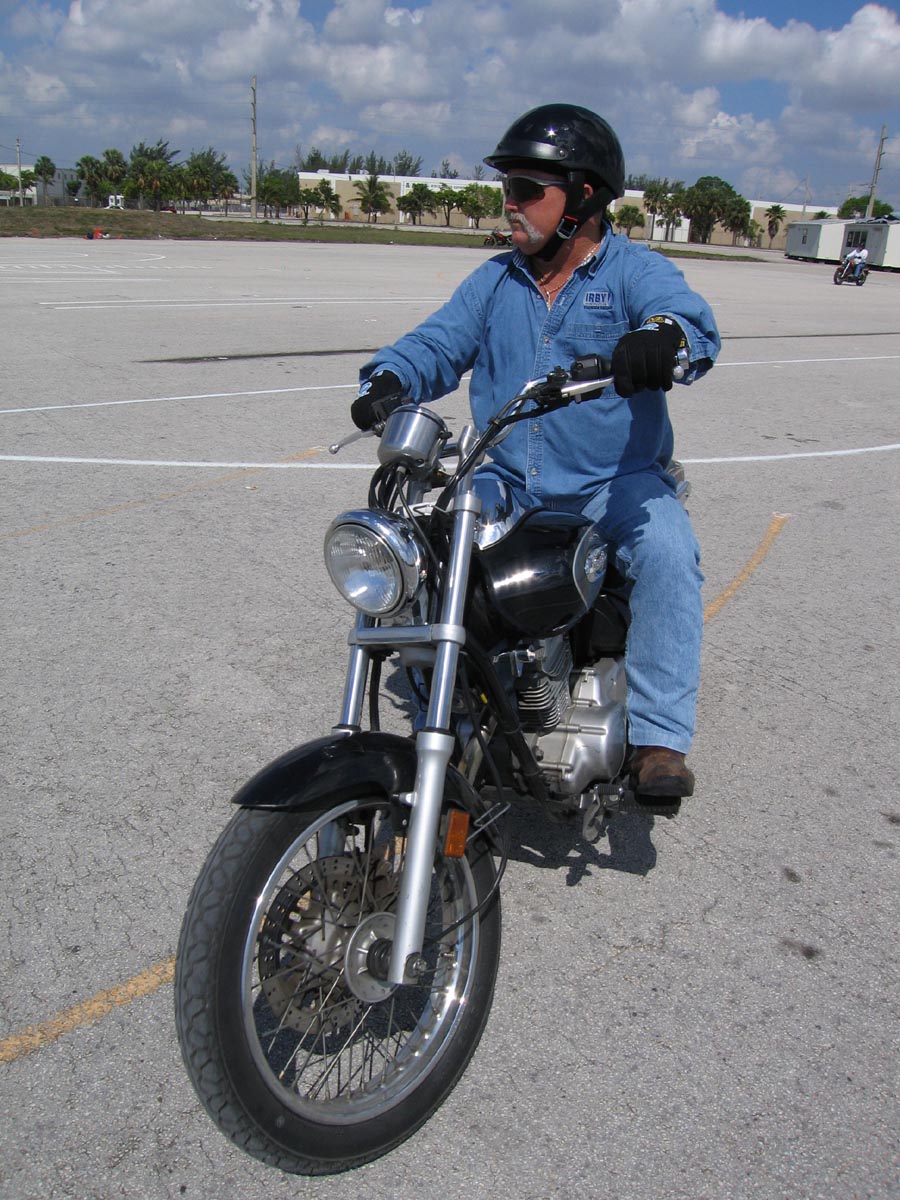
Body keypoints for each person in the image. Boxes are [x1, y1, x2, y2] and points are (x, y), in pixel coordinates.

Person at [351, 103, 721, 809]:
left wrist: (662, 339)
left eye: (527, 190)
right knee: (430, 550)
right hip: (509, 478)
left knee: (670, 553)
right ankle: (456, 708)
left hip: (615, 484)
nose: (511, 204)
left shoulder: (632, 271)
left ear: (582, 197)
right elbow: (437, 343)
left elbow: (683, 318)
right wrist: (390, 377)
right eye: (507, 188)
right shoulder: (495, 282)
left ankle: (658, 740)